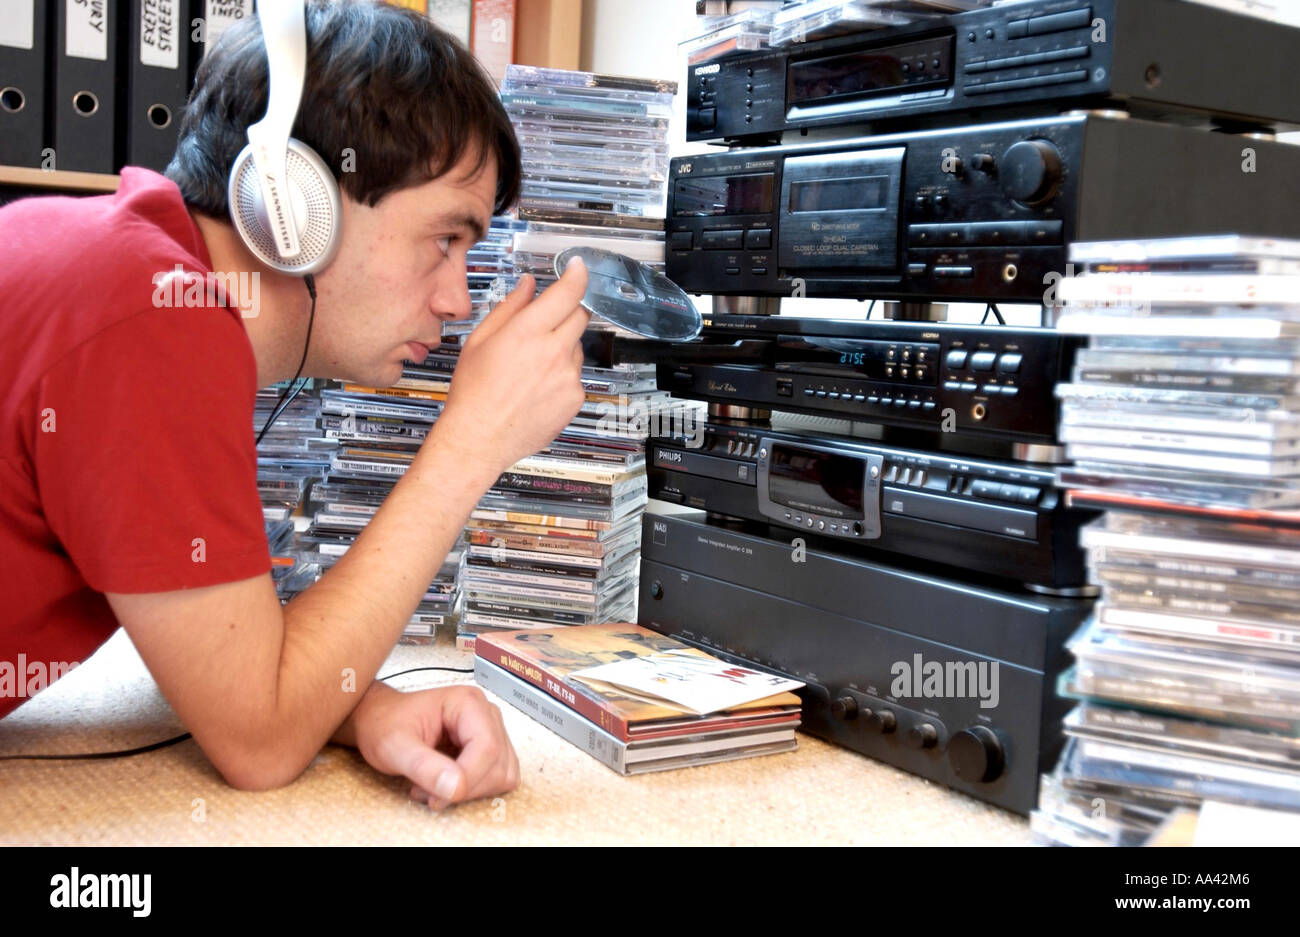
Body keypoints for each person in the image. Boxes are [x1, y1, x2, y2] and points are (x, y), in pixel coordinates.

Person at [0, 1, 590, 810]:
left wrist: (361, 705)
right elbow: (258, 739)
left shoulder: (135, 277)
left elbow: (211, 650)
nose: (458, 300)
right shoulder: (148, 317)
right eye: (447, 239)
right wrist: (472, 442)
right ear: (294, 199)